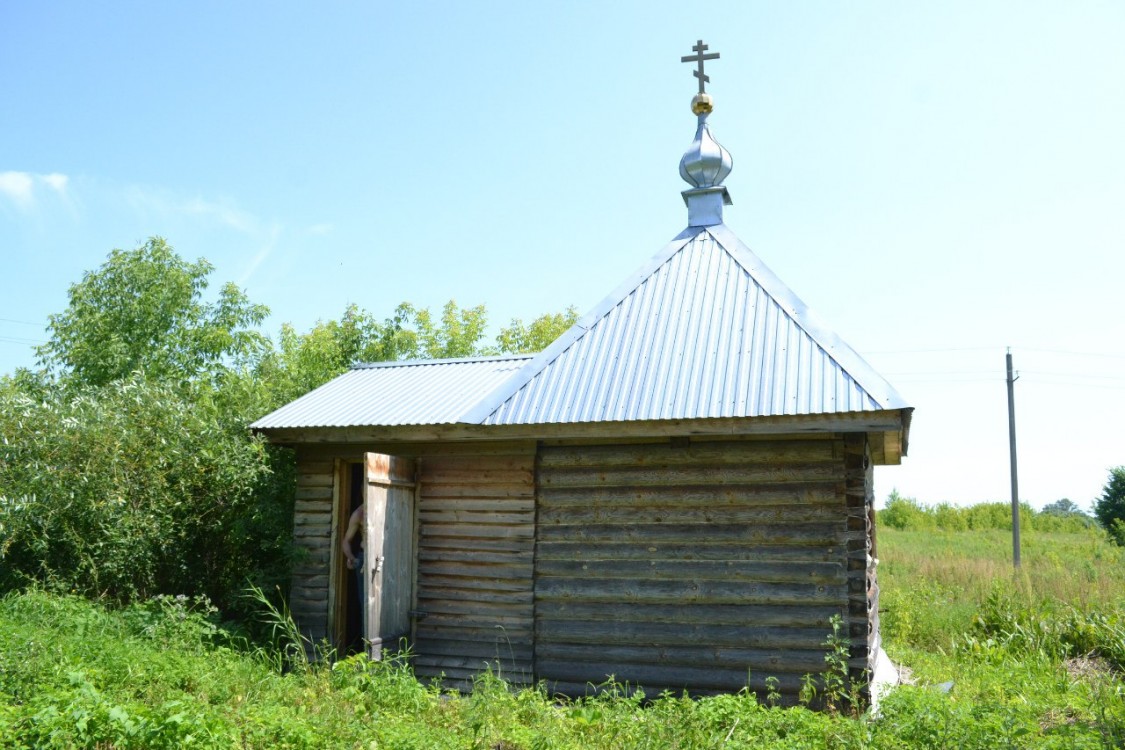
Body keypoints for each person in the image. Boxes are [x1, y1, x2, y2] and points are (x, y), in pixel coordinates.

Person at [342, 503, 366, 638]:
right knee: (366, 602)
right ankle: (366, 649)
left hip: (389, 557)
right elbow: (346, 540)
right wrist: (351, 558)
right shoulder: (359, 513)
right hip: (365, 558)